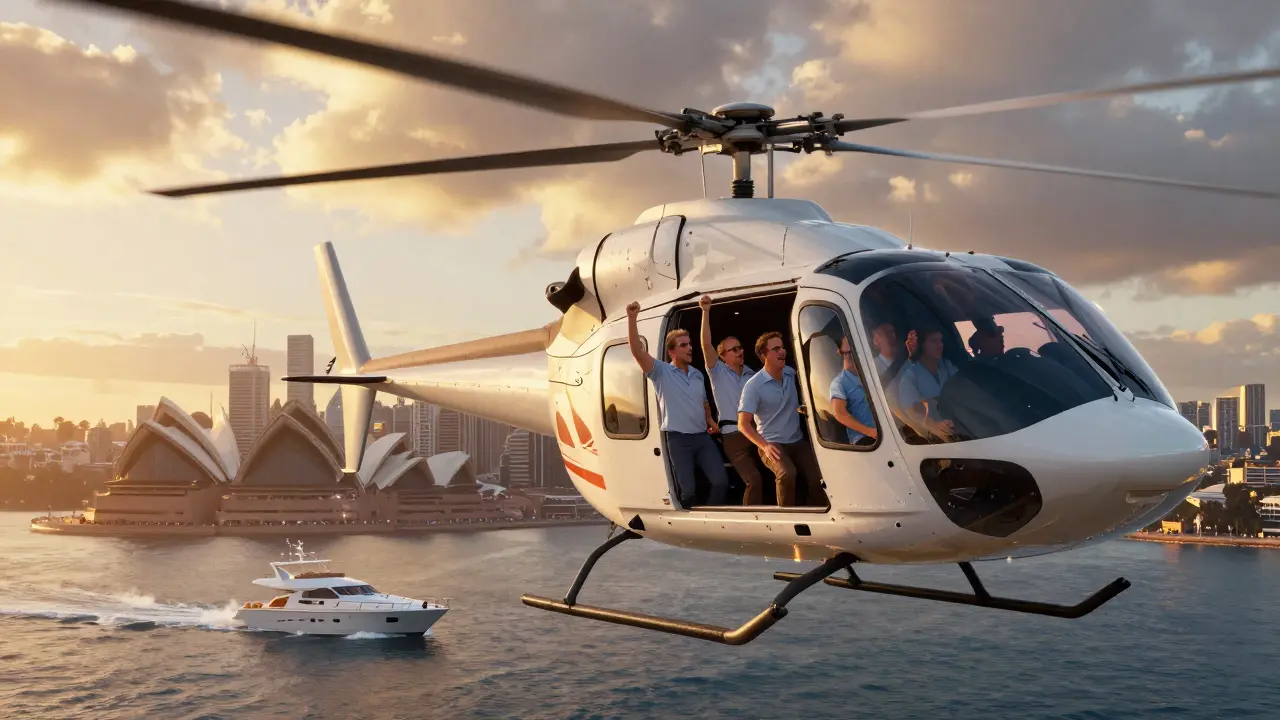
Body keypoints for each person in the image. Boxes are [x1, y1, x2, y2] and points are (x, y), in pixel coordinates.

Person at [625, 300, 728, 506]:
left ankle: (708, 518)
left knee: (721, 482)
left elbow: (704, 401)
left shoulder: (698, 375)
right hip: (678, 440)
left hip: (702, 438)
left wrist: (709, 419)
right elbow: (637, 351)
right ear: (671, 351)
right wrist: (632, 318)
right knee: (687, 491)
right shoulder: (660, 371)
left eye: (690, 344)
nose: (690, 348)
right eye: (683, 345)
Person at [737, 331, 825, 507]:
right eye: (775, 349)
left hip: (797, 440)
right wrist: (764, 446)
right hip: (772, 443)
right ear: (764, 356)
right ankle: (788, 518)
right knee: (787, 473)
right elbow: (743, 424)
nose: (782, 351)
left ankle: (814, 513)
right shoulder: (753, 386)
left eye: (782, 347)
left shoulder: (790, 374)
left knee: (819, 476)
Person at [697, 294, 765, 505]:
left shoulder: (752, 374)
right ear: (723, 356)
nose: (740, 352)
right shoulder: (717, 372)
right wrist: (705, 311)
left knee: (778, 472)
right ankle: (751, 522)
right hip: (733, 436)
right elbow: (705, 344)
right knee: (753, 479)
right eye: (734, 350)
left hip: (755, 431)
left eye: (741, 348)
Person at [897, 327, 958, 440]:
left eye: (941, 341)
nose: (940, 345)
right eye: (934, 341)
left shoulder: (947, 367)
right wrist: (932, 425)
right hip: (932, 439)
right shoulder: (910, 376)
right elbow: (912, 411)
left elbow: (963, 392)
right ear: (922, 345)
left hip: (962, 429)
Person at [829, 336, 878, 445]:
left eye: (853, 350)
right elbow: (839, 413)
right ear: (839, 352)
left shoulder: (873, 375)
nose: (850, 354)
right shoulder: (838, 383)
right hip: (865, 440)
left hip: (890, 432)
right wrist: (871, 432)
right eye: (847, 352)